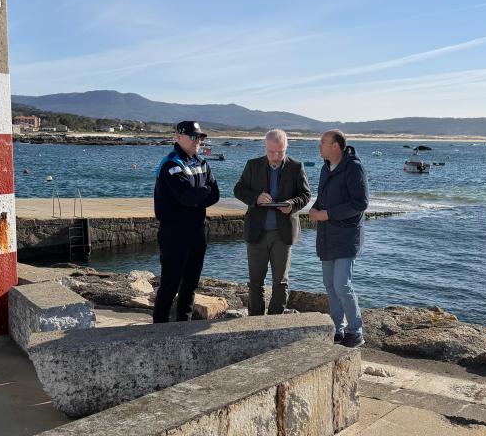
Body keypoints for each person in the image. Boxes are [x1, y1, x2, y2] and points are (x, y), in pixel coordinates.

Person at [233, 129, 311, 315]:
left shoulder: (296, 167)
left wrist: (291, 204)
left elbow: (306, 195)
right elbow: (238, 189)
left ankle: (275, 320)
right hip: (256, 232)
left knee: (280, 282)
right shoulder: (252, 165)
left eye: (280, 151)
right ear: (265, 147)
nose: (276, 156)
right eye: (271, 152)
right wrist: (256, 198)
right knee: (255, 282)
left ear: (287, 147)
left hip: (282, 234)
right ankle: (255, 320)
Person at [152, 120, 220, 323]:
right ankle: (158, 329)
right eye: (194, 137)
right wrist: (202, 193)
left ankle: (184, 325)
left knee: (191, 284)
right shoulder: (171, 164)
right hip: (174, 232)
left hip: (198, 231)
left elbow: (215, 194)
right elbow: (186, 197)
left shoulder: (201, 163)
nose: (198, 141)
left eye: (200, 137)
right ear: (179, 137)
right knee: (170, 284)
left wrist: (200, 194)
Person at [309, 130, 368, 347]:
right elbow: (323, 197)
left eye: (322, 143)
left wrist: (328, 214)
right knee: (330, 285)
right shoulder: (326, 168)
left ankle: (356, 331)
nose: (319, 146)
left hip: (346, 236)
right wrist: (316, 208)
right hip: (326, 236)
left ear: (336, 146)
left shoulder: (354, 168)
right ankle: (337, 329)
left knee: (342, 284)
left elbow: (360, 203)